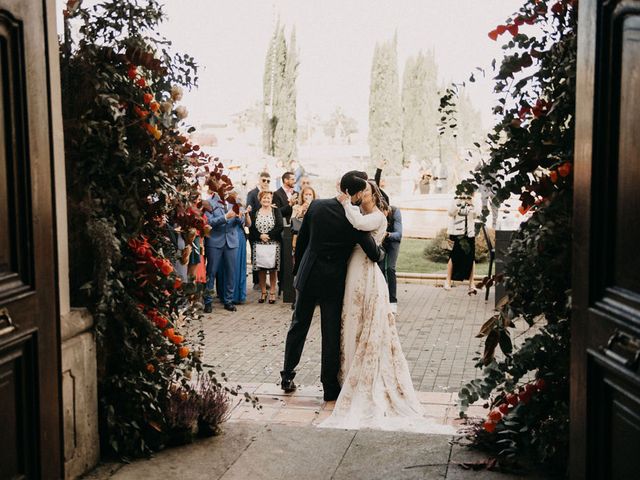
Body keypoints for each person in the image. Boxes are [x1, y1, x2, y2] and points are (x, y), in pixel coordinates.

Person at [318, 180, 453, 434]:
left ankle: (362, 378)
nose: (363, 195)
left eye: (367, 191)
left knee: (363, 318)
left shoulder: (378, 217)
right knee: (352, 320)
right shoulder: (362, 213)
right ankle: (347, 375)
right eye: (362, 191)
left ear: (373, 195)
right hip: (353, 271)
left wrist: (345, 201)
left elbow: (358, 225)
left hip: (367, 275)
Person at [280, 171, 386, 401]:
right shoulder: (354, 219)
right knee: (330, 333)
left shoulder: (316, 206)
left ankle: (287, 375)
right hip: (334, 281)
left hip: (308, 275)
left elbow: (303, 242)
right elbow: (371, 250)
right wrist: (381, 251)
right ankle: (329, 387)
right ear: (356, 193)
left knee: (298, 324)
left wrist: (298, 270)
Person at [203, 179, 244, 313]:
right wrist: (225, 217)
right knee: (211, 271)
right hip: (215, 241)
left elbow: (241, 221)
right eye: (221, 186)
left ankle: (228, 300)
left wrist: (239, 216)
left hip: (232, 241)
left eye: (226, 186)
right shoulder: (209, 202)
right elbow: (208, 221)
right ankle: (208, 301)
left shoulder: (234, 201)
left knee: (231, 272)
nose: (224, 188)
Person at [216, 192, 252, 304]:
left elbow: (248, 224)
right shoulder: (221, 205)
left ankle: (237, 295)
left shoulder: (239, 206)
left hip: (238, 237)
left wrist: (245, 214)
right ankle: (225, 295)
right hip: (224, 236)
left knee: (238, 266)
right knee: (225, 266)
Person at [249, 191, 283, 304]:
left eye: (268, 198)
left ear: (271, 199)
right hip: (259, 244)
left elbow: (279, 226)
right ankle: (263, 292)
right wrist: (260, 236)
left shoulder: (276, 210)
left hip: (273, 243)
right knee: (261, 269)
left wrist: (268, 236)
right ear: (260, 199)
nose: (266, 200)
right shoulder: (255, 212)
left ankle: (272, 292)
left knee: (273, 269)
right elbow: (252, 227)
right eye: (264, 198)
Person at [445, 194, 478, 294]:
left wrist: (471, 204)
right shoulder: (455, 199)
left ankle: (472, 283)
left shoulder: (474, 201)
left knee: (471, 257)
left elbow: (477, 215)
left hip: (469, 234)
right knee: (453, 256)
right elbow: (450, 213)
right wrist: (459, 202)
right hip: (456, 233)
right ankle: (448, 280)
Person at [246, 172, 271, 289]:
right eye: (264, 180)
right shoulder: (252, 194)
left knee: (265, 256)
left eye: (268, 181)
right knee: (255, 255)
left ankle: (263, 281)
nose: (266, 182)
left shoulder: (270, 194)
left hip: (267, 230)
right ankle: (256, 282)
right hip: (255, 230)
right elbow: (250, 214)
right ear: (259, 180)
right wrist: (258, 232)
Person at [379, 205, 402, 312]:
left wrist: (387, 234)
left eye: (384, 211)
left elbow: (399, 234)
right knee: (381, 269)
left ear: (387, 209)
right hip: (381, 242)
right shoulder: (376, 214)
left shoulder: (396, 212)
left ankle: (393, 301)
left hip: (393, 241)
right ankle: (382, 298)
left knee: (390, 268)